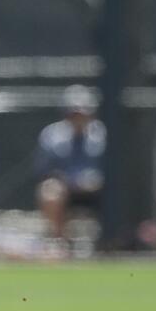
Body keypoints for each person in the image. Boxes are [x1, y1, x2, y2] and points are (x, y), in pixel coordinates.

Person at [34, 85, 105, 242]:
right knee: (50, 191)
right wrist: (66, 180)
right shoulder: (52, 135)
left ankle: (111, 241)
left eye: (82, 114)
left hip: (98, 191)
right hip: (66, 190)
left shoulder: (103, 134)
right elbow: (44, 172)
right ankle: (59, 242)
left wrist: (93, 181)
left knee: (116, 192)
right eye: (73, 114)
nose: (77, 118)